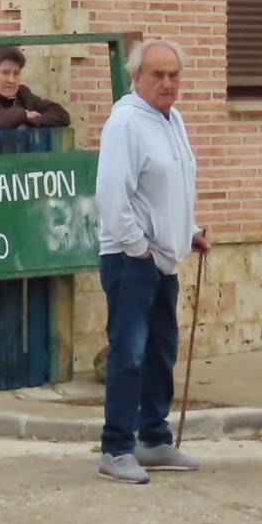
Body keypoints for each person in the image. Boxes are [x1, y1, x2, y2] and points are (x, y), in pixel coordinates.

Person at [93, 37, 209, 482]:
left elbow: (171, 188)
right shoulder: (125, 123)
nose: (167, 83)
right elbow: (112, 195)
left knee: (161, 351)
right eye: (157, 74)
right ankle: (116, 448)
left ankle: (154, 439)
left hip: (165, 257)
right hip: (130, 259)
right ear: (136, 77)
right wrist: (138, 246)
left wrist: (189, 231)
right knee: (130, 353)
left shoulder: (172, 119)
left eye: (174, 75)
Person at [0, 45, 72, 135]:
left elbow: (61, 116)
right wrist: (22, 115)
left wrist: (26, 124)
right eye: (5, 73)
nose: (12, 80)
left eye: (16, 73)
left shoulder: (23, 94)